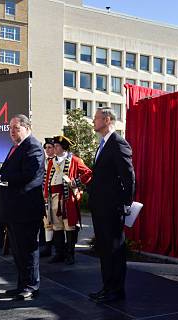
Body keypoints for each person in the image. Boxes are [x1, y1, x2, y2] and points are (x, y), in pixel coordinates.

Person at [0, 115, 45, 300]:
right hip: (13, 210)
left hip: (26, 209)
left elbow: (29, 175)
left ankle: (31, 287)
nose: (11, 131)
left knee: (27, 250)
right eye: (10, 128)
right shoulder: (16, 147)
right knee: (18, 251)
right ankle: (22, 285)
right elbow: (10, 173)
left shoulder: (33, 146)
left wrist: (1, 178)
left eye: (16, 128)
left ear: (27, 128)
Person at [87, 107, 135, 304]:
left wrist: (125, 203)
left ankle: (116, 290)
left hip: (112, 207)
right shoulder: (103, 144)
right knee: (105, 249)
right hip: (100, 206)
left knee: (114, 249)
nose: (93, 121)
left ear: (107, 119)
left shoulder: (118, 143)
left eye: (96, 118)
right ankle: (107, 288)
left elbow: (128, 176)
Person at [43, 135, 92, 265]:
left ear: (64, 148)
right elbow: (48, 180)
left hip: (66, 198)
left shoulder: (75, 160)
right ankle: (59, 253)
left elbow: (88, 173)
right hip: (53, 197)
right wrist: (45, 196)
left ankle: (70, 255)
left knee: (69, 226)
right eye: (54, 146)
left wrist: (76, 182)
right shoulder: (51, 162)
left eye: (57, 146)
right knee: (56, 226)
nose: (54, 148)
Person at [40, 138, 56, 258]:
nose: (47, 150)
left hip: (56, 196)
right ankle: (48, 247)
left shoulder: (59, 161)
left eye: (50, 147)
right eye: (46, 148)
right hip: (44, 195)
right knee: (47, 222)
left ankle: (64, 249)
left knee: (59, 223)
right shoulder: (43, 162)